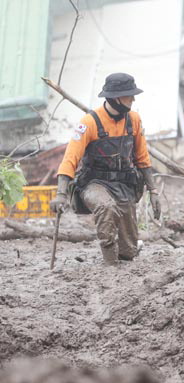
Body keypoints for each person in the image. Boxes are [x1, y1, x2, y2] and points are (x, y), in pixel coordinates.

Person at [50, 72, 161, 266]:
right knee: (105, 206)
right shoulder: (89, 123)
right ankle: (109, 263)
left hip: (124, 186)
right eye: (129, 95)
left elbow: (142, 158)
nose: (133, 99)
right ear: (115, 98)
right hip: (94, 184)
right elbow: (70, 159)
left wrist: (154, 191)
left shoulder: (133, 120)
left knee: (129, 251)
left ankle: (123, 258)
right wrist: (61, 194)